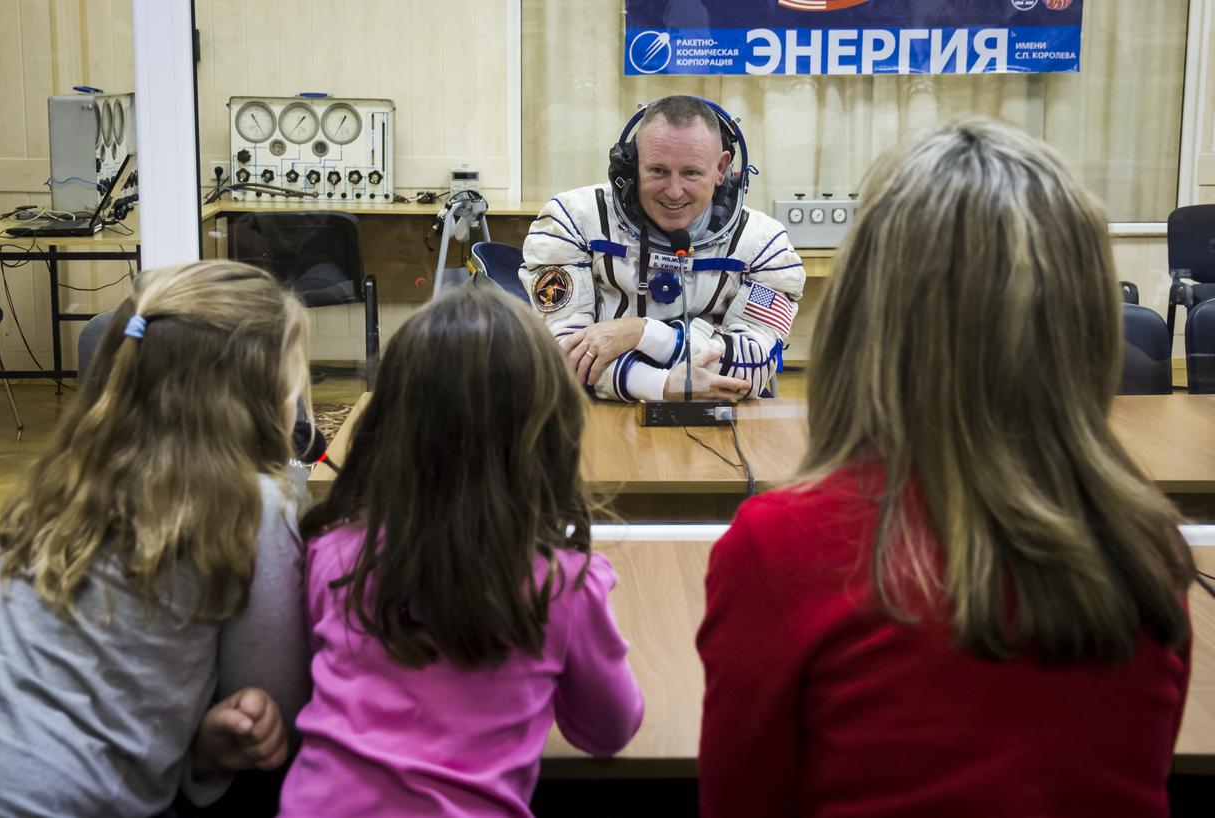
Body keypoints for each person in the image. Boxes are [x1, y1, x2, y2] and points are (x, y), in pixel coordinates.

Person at [697, 120, 1195, 817]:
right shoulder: (1148, 543)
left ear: (864, 313)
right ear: (1086, 320)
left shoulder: (783, 546)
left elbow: (739, 802)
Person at [0, 260, 314, 817]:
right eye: (294, 385)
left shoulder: (63, 474)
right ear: (259, 399)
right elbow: (275, 711)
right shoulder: (252, 503)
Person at [279, 286, 644, 817]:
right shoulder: (561, 584)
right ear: (548, 430)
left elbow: (316, 688)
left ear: (390, 423)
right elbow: (607, 730)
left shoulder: (333, 552)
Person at [520, 95, 805, 402]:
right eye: (657, 170)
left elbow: (753, 364)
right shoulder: (572, 222)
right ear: (631, 165)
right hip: (595, 414)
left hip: (713, 418)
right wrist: (661, 385)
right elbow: (563, 357)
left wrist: (642, 332)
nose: (673, 191)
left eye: (691, 173)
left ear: (721, 168)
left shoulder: (764, 247)